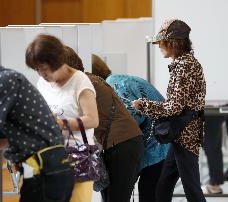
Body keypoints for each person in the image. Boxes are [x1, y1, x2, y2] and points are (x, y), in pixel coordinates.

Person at [0, 48, 74, 202]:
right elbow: (1, 140)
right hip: (48, 170)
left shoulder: (4, 81)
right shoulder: (5, 81)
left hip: (45, 171)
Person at [132, 19, 206, 202]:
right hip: (180, 134)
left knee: (192, 190)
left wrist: (144, 105)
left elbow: (174, 107)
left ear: (173, 43)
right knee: (163, 185)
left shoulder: (183, 66)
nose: (159, 46)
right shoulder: (185, 63)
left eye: (162, 42)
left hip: (184, 135)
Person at [64, 46, 144, 202]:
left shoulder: (84, 84)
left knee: (116, 198)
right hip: (121, 143)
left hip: (123, 144)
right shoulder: (89, 80)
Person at [25, 34, 99, 202]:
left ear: (57, 61)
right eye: (37, 69)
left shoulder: (80, 81)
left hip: (78, 155)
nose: (41, 74)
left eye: (44, 69)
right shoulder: (42, 82)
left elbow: (93, 119)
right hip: (51, 155)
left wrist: (62, 124)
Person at [91, 54, 169, 202]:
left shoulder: (112, 85)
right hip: (159, 143)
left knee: (148, 195)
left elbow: (131, 119)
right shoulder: (117, 80)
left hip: (157, 147)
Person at [202, 117, 225, 194]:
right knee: (214, 144)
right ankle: (215, 183)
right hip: (220, 107)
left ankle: (215, 185)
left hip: (213, 107)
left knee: (211, 144)